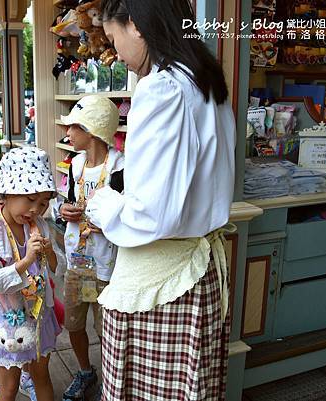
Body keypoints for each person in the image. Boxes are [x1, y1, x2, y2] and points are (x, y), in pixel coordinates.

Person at [86, 1, 237, 400]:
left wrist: (101, 205)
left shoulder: (162, 88)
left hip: (163, 281)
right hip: (197, 272)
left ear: (135, 25)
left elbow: (150, 215)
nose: (115, 53)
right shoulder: (206, 81)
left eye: (113, 38)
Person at [0, 147, 61, 401]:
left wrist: (48, 253)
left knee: (41, 377)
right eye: (30, 199)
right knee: (9, 387)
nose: (35, 209)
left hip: (39, 316)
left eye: (43, 202)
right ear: (8, 194)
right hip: (8, 322)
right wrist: (25, 261)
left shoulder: (40, 226)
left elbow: (56, 268)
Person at [57, 95, 123, 401]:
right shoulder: (77, 163)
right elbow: (71, 200)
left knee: (106, 329)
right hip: (78, 262)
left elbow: (128, 214)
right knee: (75, 322)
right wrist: (65, 210)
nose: (67, 134)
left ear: (92, 129)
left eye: (73, 127)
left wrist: (109, 223)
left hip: (108, 265)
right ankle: (85, 371)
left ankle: (112, 381)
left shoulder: (121, 166)